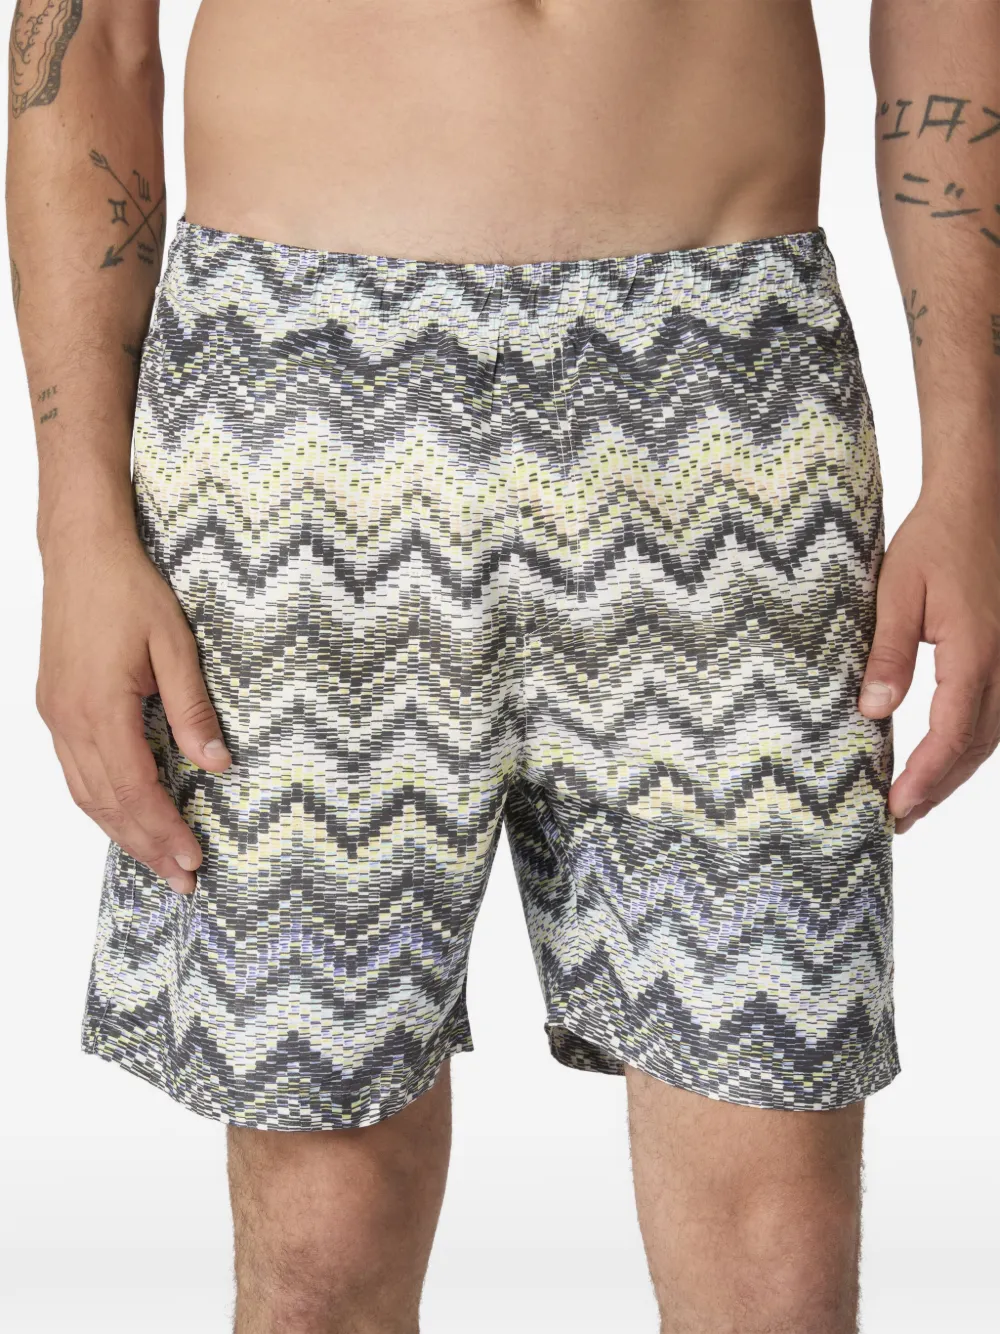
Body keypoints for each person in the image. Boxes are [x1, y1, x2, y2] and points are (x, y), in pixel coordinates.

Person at [7, 2, 999, 1331]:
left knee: (776, 1263)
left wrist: (975, 466)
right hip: (299, 414)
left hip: (726, 403)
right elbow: (88, 42)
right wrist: (76, 527)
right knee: (321, 1243)